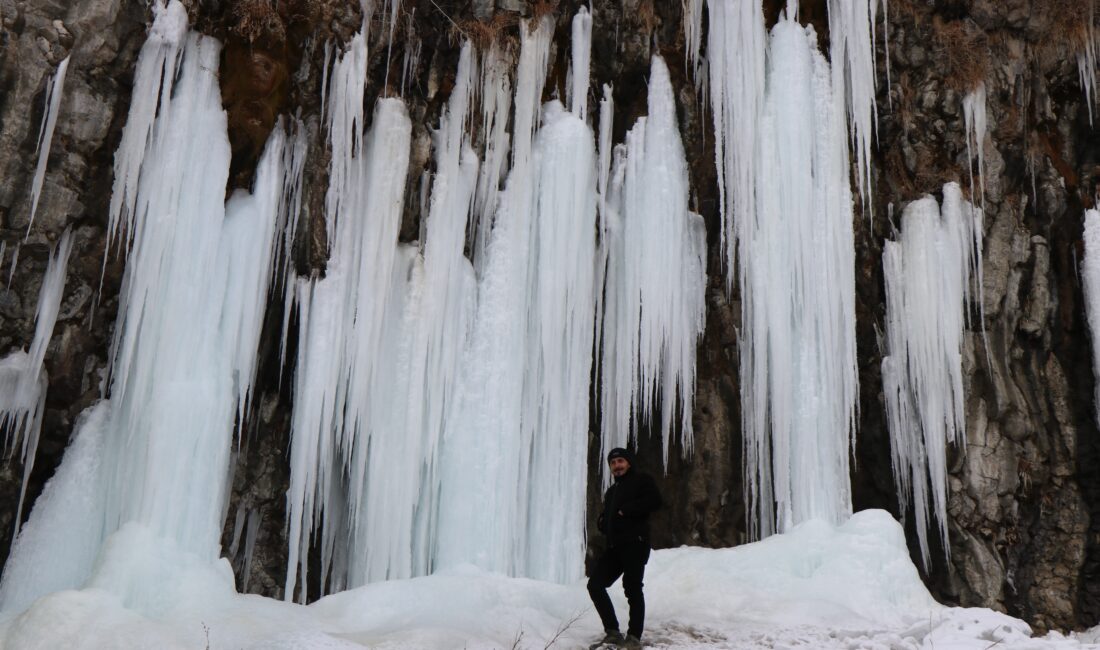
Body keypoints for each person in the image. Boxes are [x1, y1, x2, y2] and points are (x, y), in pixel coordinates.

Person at [587, 447, 662, 649]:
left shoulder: (642, 481)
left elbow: (655, 501)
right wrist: (603, 522)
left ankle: (634, 637)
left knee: (633, 589)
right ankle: (612, 632)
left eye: (620, 461)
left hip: (635, 544)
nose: (617, 466)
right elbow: (609, 516)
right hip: (615, 547)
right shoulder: (612, 491)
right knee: (595, 585)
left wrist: (627, 510)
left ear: (628, 463)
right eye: (613, 463)